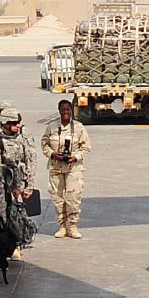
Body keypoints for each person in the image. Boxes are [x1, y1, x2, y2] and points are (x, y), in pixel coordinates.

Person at [41, 98, 92, 239]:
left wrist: (76, 157)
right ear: (59, 111)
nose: (65, 113)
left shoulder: (79, 128)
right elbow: (44, 144)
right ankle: (62, 226)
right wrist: (52, 154)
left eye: (68, 110)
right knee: (57, 198)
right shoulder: (51, 127)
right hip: (56, 167)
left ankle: (73, 225)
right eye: (63, 110)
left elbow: (87, 147)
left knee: (73, 197)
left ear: (71, 111)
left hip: (73, 167)